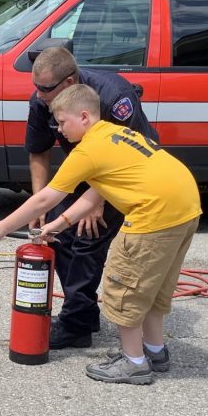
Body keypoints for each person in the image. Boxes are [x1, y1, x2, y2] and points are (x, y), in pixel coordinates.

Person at [0, 84, 201, 385]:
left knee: (125, 290)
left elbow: (46, 198)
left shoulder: (87, 150)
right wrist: (60, 224)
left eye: (62, 122)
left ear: (83, 116)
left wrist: (2, 228)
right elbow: (98, 190)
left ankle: (134, 363)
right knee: (152, 288)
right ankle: (155, 351)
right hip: (186, 209)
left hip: (153, 215)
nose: (59, 130)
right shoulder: (115, 134)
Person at [24, 47, 157, 350]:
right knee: (55, 233)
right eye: (35, 87)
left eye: (45, 88)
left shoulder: (114, 96)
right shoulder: (41, 101)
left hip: (127, 172)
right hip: (87, 168)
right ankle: (81, 314)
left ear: (69, 83)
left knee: (87, 235)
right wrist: (39, 204)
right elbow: (38, 150)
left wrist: (98, 203)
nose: (38, 94)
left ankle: (76, 324)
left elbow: (129, 157)